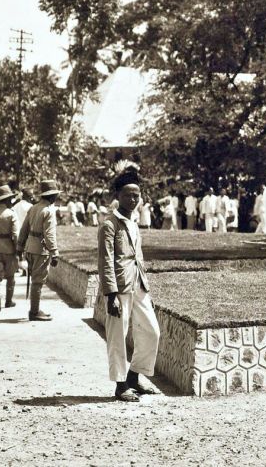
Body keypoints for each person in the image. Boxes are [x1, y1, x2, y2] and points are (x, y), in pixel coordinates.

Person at [99, 165, 161, 403]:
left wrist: (146, 287)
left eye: (136, 195)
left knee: (152, 331)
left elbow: (138, 256)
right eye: (127, 195)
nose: (133, 199)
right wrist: (111, 293)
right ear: (117, 197)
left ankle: (135, 375)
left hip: (138, 285)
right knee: (118, 335)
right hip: (119, 287)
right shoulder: (109, 224)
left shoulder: (133, 223)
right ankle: (120, 384)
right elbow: (105, 261)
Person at [17, 180, 61, 322]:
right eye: (55, 195)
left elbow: (24, 229)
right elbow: (49, 234)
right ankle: (34, 311)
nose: (56, 198)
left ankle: (35, 309)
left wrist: (20, 246)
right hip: (40, 249)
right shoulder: (49, 211)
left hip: (30, 247)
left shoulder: (34, 208)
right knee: (38, 281)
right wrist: (54, 252)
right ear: (51, 196)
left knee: (35, 280)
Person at [0, 185, 21, 309]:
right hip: (8, 248)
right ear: (6, 200)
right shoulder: (11, 214)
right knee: (11, 276)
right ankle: (8, 300)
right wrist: (19, 250)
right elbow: (15, 234)